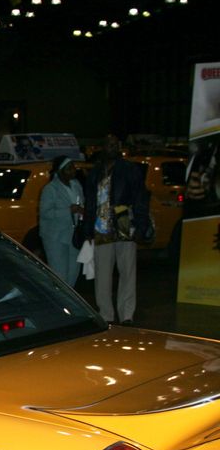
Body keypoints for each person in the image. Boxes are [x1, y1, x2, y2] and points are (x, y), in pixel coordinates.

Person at [82, 134, 149, 325]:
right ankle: (106, 314)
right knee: (102, 274)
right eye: (107, 144)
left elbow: (140, 199)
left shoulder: (130, 169)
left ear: (118, 147)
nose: (111, 147)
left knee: (127, 271)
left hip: (123, 221)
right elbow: (90, 204)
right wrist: (87, 230)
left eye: (114, 144)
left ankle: (126, 314)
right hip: (100, 226)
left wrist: (141, 226)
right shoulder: (95, 172)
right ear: (102, 147)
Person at [39, 155, 85, 286]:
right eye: (69, 169)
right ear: (60, 171)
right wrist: (68, 210)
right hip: (55, 236)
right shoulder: (50, 189)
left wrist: (82, 211)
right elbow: (45, 213)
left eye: (73, 168)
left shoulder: (76, 185)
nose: (73, 171)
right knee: (59, 274)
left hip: (74, 235)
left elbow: (82, 203)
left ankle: (68, 301)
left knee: (73, 272)